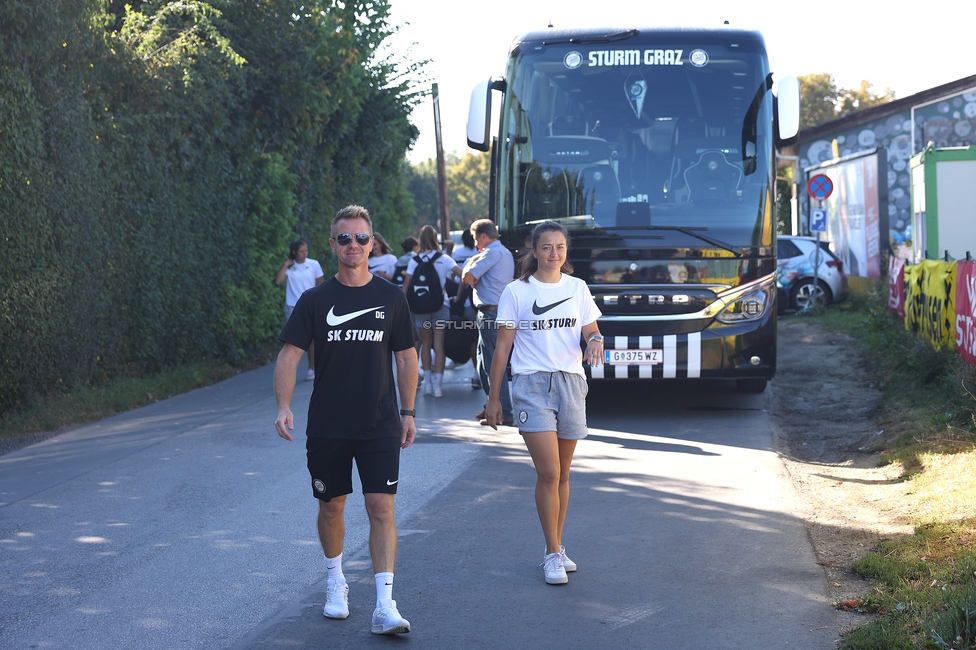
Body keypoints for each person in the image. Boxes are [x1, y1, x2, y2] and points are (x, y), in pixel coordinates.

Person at [274, 205, 418, 635]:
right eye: (344, 238)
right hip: (328, 424)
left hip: (379, 423)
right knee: (331, 506)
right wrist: (283, 405)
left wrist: (408, 412)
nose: (353, 245)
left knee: (381, 508)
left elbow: (407, 357)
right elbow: (289, 356)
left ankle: (385, 604)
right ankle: (336, 583)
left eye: (361, 238)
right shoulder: (315, 300)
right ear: (332, 245)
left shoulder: (392, 297)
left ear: (372, 243)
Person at [484, 220, 603, 586]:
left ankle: (559, 545)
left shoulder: (577, 288)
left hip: (571, 384)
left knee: (564, 474)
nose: (554, 253)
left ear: (566, 252)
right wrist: (493, 398)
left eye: (560, 247)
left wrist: (596, 340)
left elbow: (591, 330)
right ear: (533, 251)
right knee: (549, 472)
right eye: (547, 247)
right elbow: (502, 347)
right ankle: (551, 553)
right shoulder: (516, 292)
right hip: (531, 385)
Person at [460, 219, 515, 425]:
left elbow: (467, 277)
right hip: (493, 312)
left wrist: (472, 266)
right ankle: (492, 406)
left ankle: (504, 411)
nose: (475, 243)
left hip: (491, 313)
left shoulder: (491, 253)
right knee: (484, 362)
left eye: (475, 238)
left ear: (483, 236)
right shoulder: (502, 252)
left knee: (492, 364)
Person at [402, 224, 461, 398]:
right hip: (441, 306)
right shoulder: (444, 259)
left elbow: (405, 287)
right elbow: (463, 275)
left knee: (425, 344)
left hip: (421, 308)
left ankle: (427, 384)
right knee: (439, 345)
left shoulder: (414, 261)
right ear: (436, 239)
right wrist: (457, 295)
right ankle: (438, 387)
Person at [274, 239, 325, 381]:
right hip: (292, 306)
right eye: (301, 251)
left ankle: (312, 369)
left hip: (310, 306)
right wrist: (285, 265)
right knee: (292, 341)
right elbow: (278, 281)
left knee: (312, 340)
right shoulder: (290, 267)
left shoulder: (313, 264)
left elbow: (320, 285)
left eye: (306, 251)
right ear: (294, 252)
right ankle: (290, 368)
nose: (304, 253)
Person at [450, 228, 483, 389]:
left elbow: (458, 278)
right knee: (481, 341)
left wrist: (457, 296)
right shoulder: (483, 255)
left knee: (472, 340)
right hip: (484, 304)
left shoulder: (460, 255)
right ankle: (479, 374)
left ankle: (475, 371)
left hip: (469, 305)